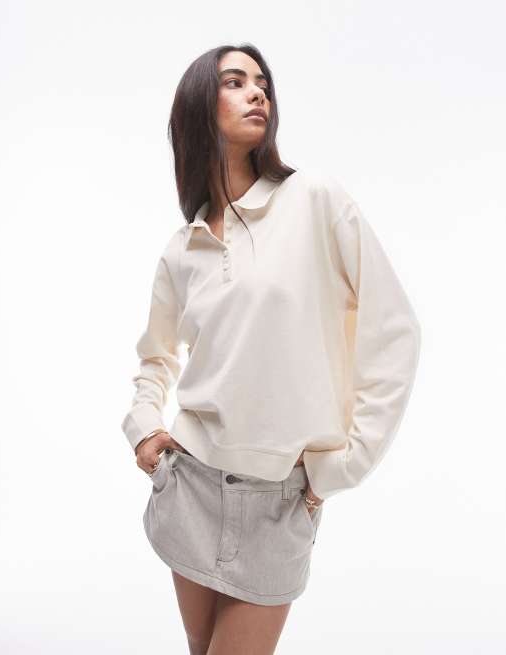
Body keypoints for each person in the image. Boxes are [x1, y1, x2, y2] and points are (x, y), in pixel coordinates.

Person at [121, 43, 421, 655]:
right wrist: (144, 428)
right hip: (190, 486)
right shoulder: (182, 248)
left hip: (281, 497)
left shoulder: (314, 199)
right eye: (234, 82)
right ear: (198, 106)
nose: (257, 92)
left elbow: (395, 332)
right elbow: (156, 357)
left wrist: (344, 465)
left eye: (262, 82)